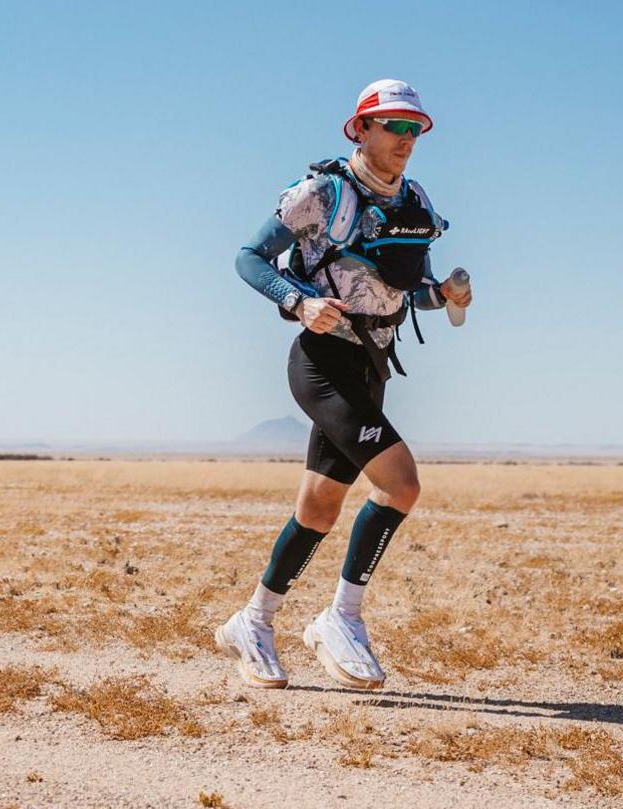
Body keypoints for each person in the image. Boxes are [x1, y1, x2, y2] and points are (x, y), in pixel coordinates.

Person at [216, 79, 473, 690]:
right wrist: (298, 301)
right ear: (360, 128)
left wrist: (447, 295)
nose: (407, 139)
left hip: (372, 365)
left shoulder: (414, 201)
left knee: (319, 508)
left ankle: (252, 621)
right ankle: (343, 617)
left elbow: (409, 291)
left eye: (415, 129)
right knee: (401, 484)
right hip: (321, 363)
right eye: (394, 127)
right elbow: (250, 258)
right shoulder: (322, 193)